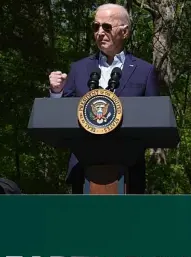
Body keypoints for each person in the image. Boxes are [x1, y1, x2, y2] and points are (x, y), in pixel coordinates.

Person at [48, 3, 159, 194]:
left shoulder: (144, 71)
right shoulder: (78, 69)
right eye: (95, 26)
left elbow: (155, 119)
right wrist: (57, 91)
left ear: (125, 32)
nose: (100, 32)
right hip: (83, 168)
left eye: (107, 27)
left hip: (129, 171)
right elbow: (61, 117)